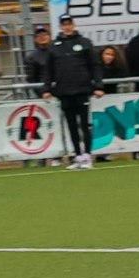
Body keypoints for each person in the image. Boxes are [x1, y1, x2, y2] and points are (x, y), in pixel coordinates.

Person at [47, 15, 105, 169]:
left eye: (69, 24)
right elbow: (48, 70)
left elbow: (95, 65)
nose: (67, 27)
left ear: (74, 25)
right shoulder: (54, 46)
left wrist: (98, 86)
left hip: (82, 89)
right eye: (64, 24)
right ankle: (78, 156)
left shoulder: (84, 43)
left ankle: (87, 156)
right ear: (60, 26)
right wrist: (46, 89)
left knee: (84, 124)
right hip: (64, 91)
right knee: (71, 126)